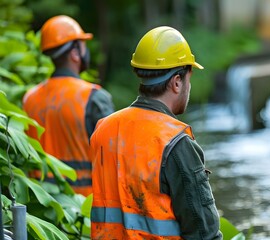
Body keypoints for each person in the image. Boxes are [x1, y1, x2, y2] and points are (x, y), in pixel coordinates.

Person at [89, 26, 223, 239]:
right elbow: (203, 232)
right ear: (177, 82)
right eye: (189, 77)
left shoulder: (103, 130)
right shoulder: (176, 142)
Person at [23, 15, 114, 196]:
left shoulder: (29, 98)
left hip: (41, 209)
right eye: (82, 45)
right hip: (85, 210)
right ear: (74, 53)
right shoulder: (94, 97)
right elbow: (113, 160)